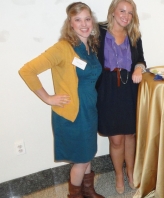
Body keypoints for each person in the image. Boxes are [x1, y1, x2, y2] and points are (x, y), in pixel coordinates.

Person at [18, 2, 104, 198]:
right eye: (78, 20)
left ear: (92, 21)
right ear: (70, 23)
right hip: (72, 114)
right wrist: (48, 98)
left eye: (87, 19)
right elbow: (27, 71)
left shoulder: (90, 46)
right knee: (81, 160)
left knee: (87, 154)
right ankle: (75, 195)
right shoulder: (63, 47)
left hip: (89, 110)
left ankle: (88, 191)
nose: (84, 24)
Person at [95, 0, 146, 194]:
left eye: (130, 13)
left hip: (129, 89)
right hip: (107, 88)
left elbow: (141, 59)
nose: (126, 15)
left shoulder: (134, 35)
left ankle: (131, 172)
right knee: (116, 139)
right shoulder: (98, 31)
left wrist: (139, 68)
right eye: (122, 10)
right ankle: (118, 174)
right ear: (113, 12)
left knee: (130, 134)